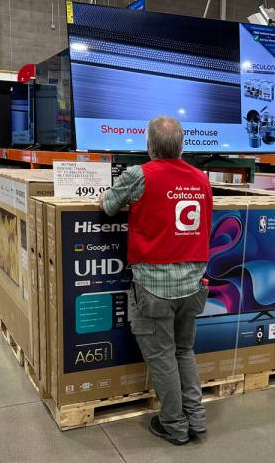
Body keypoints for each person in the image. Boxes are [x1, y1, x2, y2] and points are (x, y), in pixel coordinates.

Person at [100, 116, 213, 446]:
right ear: (181, 145)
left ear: (149, 146)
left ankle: (174, 424)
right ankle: (196, 418)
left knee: (163, 355)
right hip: (194, 285)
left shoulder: (140, 175)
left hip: (154, 289)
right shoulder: (201, 179)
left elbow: (108, 206)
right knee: (184, 350)